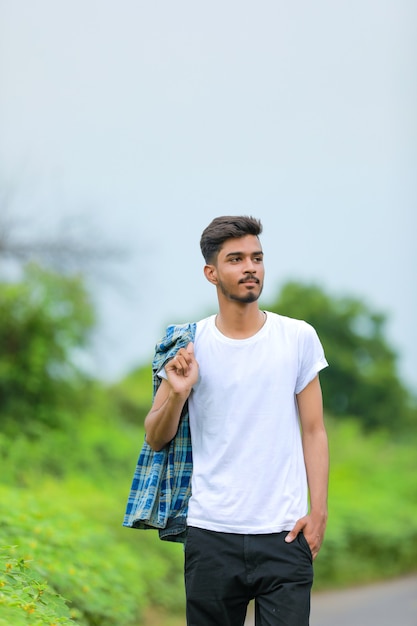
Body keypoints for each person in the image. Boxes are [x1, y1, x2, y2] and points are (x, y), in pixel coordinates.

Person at [124, 215, 329, 626]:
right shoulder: (189, 345)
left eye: (257, 258)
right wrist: (178, 392)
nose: (250, 267)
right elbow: (155, 436)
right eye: (235, 259)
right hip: (211, 534)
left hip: (284, 533)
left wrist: (319, 511)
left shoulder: (297, 337)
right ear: (211, 273)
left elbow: (314, 430)